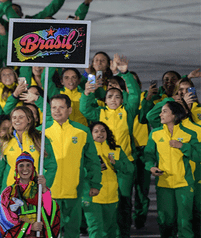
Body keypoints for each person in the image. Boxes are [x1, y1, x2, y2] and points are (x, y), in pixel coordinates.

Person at [45, 94, 101, 238]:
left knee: (72, 231)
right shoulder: (41, 131)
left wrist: (95, 183)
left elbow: (92, 160)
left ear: (69, 110)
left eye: (61, 107)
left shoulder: (82, 131)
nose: (57, 111)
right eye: (53, 108)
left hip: (74, 190)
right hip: (49, 191)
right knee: (50, 231)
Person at [145, 101, 199, 238]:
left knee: (184, 221)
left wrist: (183, 146)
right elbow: (148, 155)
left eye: (164, 111)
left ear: (174, 114)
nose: (160, 114)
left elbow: (199, 155)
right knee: (166, 220)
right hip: (164, 183)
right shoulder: (155, 134)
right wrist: (151, 166)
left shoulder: (189, 133)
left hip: (184, 184)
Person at [83, 122, 134, 238]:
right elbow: (78, 170)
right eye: (96, 131)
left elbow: (130, 169)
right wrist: (93, 169)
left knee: (110, 230)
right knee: (95, 229)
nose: (100, 133)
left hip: (111, 195)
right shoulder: (84, 150)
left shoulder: (116, 149)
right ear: (90, 134)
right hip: (91, 196)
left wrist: (117, 164)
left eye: (103, 131)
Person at [0, 152, 61, 238]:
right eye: (21, 165)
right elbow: (7, 219)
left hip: (39, 234)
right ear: (16, 169)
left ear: (33, 168)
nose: (25, 169)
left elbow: (49, 211)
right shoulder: (8, 193)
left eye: (28, 165)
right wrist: (29, 227)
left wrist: (44, 189)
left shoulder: (40, 189)